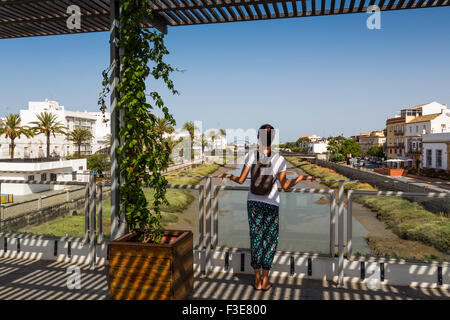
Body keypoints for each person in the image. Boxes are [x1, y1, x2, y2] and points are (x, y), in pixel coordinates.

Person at [218, 124, 314, 291]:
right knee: (270, 241)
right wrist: (300, 178)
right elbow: (285, 186)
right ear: (273, 139)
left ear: (258, 137)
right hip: (271, 204)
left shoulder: (250, 156)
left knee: (256, 239)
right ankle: (265, 280)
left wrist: (227, 175)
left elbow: (241, 180)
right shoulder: (279, 160)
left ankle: (256, 280)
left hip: (253, 203)